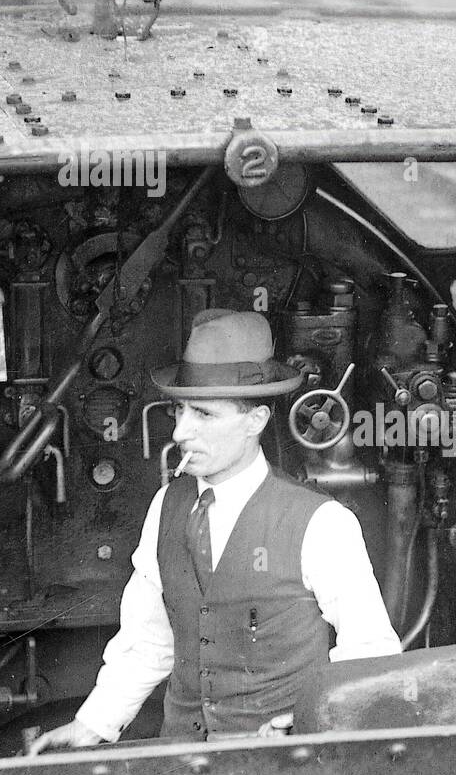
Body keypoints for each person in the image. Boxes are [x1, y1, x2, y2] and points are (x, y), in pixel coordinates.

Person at [32, 309, 400, 751]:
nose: (182, 431)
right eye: (179, 410)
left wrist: (313, 723)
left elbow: (371, 650)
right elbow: (148, 637)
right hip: (184, 762)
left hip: (285, 765)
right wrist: (92, 725)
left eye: (203, 414)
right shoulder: (167, 505)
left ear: (256, 421)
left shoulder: (321, 523)